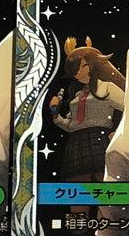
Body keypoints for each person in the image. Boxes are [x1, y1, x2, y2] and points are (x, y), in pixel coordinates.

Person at [48, 38, 125, 183]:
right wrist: (55, 113)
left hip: (99, 139)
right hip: (76, 143)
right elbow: (70, 125)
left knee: (104, 184)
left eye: (82, 66)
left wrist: (119, 132)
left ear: (92, 65)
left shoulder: (106, 87)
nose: (78, 72)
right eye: (74, 68)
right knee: (77, 188)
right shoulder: (78, 95)